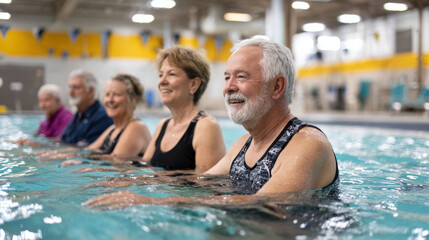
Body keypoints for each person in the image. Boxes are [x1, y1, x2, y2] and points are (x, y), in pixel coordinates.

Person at [82, 37, 339, 209]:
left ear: (277, 86)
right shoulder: (243, 146)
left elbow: (264, 205)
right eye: (227, 77)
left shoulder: (307, 144)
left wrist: (148, 201)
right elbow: (199, 183)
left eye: (241, 76)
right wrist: (129, 182)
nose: (228, 87)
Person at [138, 46, 225, 172]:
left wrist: (162, 181)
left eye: (171, 74)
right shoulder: (163, 125)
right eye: (160, 75)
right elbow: (143, 168)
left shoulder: (206, 126)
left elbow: (205, 185)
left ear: (193, 84)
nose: (162, 81)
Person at [60, 73, 151, 166]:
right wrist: (60, 154)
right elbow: (87, 151)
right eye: (107, 94)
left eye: (116, 94)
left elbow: (115, 160)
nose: (110, 100)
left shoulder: (137, 127)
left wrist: (80, 161)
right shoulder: (113, 129)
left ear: (132, 99)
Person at [61, 69, 113, 146]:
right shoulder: (78, 116)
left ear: (91, 91)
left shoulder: (103, 117)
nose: (70, 92)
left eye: (76, 87)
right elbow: (63, 140)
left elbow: (90, 151)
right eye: (70, 87)